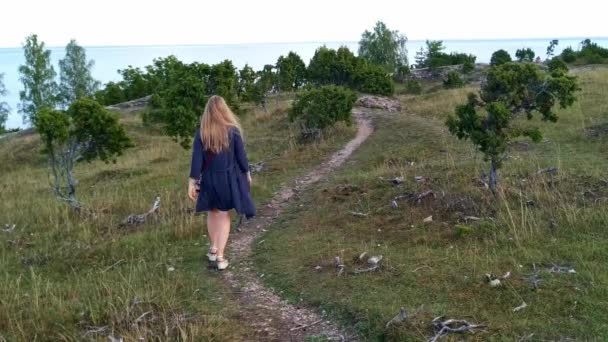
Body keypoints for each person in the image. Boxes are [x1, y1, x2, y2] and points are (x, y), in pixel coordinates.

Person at [188, 95, 255, 270]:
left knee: (213, 212)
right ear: (224, 109)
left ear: (207, 112)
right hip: (227, 179)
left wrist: (192, 182)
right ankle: (220, 257)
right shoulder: (232, 131)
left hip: (209, 179)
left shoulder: (202, 133)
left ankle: (213, 248)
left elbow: (197, 160)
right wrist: (247, 173)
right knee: (224, 215)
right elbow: (241, 157)